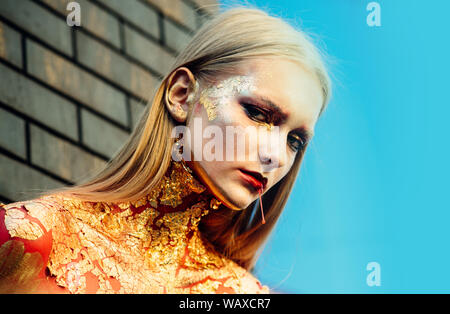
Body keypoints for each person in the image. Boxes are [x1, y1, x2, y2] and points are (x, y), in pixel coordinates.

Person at [0, 6, 331, 294]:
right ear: (182, 94)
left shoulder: (243, 293)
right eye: (258, 114)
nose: (275, 155)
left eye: (295, 141)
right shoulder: (32, 239)